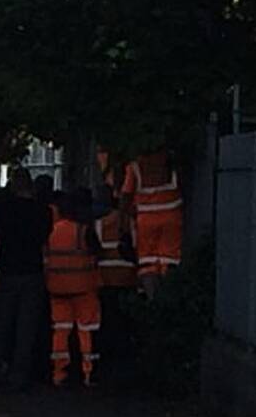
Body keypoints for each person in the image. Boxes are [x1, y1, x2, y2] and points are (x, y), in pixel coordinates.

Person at [0, 169, 52, 391]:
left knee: (0, 324)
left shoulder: (6, 208)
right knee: (26, 327)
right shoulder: (43, 211)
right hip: (32, 269)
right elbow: (44, 237)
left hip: (9, 269)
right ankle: (19, 377)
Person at [46, 188, 102, 387]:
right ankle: (89, 372)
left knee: (61, 331)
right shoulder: (83, 231)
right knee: (87, 330)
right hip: (84, 289)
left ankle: (59, 373)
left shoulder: (50, 231)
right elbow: (97, 253)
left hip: (57, 289)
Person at [121, 147, 183, 299]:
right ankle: (168, 299)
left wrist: (124, 225)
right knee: (170, 260)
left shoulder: (135, 166)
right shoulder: (170, 161)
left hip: (146, 219)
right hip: (172, 216)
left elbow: (126, 196)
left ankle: (152, 300)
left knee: (147, 263)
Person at [94, 184, 139, 384]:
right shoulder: (130, 222)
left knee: (107, 325)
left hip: (105, 281)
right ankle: (123, 366)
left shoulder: (98, 224)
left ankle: (108, 365)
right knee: (124, 326)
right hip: (127, 280)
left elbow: (95, 252)